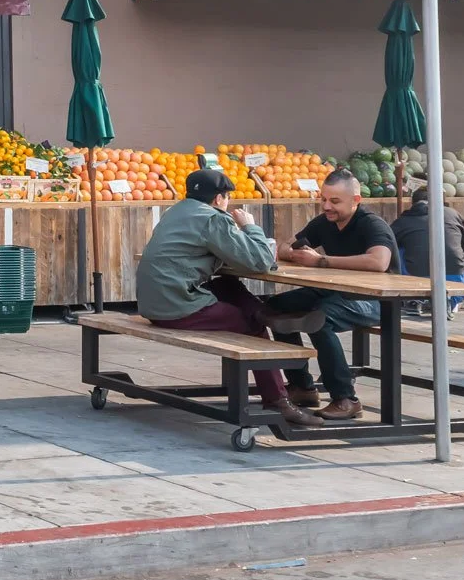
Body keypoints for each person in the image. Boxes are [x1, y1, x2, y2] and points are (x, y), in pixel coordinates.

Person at [135, 169, 324, 428]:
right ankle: (277, 401)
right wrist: (249, 226)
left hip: (154, 303)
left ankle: (269, 315)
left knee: (226, 284)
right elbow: (260, 261)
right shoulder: (213, 219)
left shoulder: (175, 213)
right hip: (178, 308)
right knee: (252, 330)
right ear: (219, 199)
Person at [267, 167, 397, 421]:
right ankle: (302, 387)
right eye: (324, 199)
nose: (327, 206)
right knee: (274, 307)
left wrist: (321, 261)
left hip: (377, 300)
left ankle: (346, 398)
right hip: (335, 292)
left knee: (320, 319)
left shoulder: (371, 224)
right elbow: (284, 246)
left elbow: (379, 261)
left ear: (356, 201)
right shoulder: (324, 222)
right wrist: (294, 254)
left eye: (335, 201)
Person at [392, 187, 464, 317]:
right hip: (455, 273)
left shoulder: (403, 220)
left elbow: (388, 244)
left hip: (415, 275)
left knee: (399, 249)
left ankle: (414, 299)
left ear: (413, 203)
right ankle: (448, 300)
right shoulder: (453, 214)